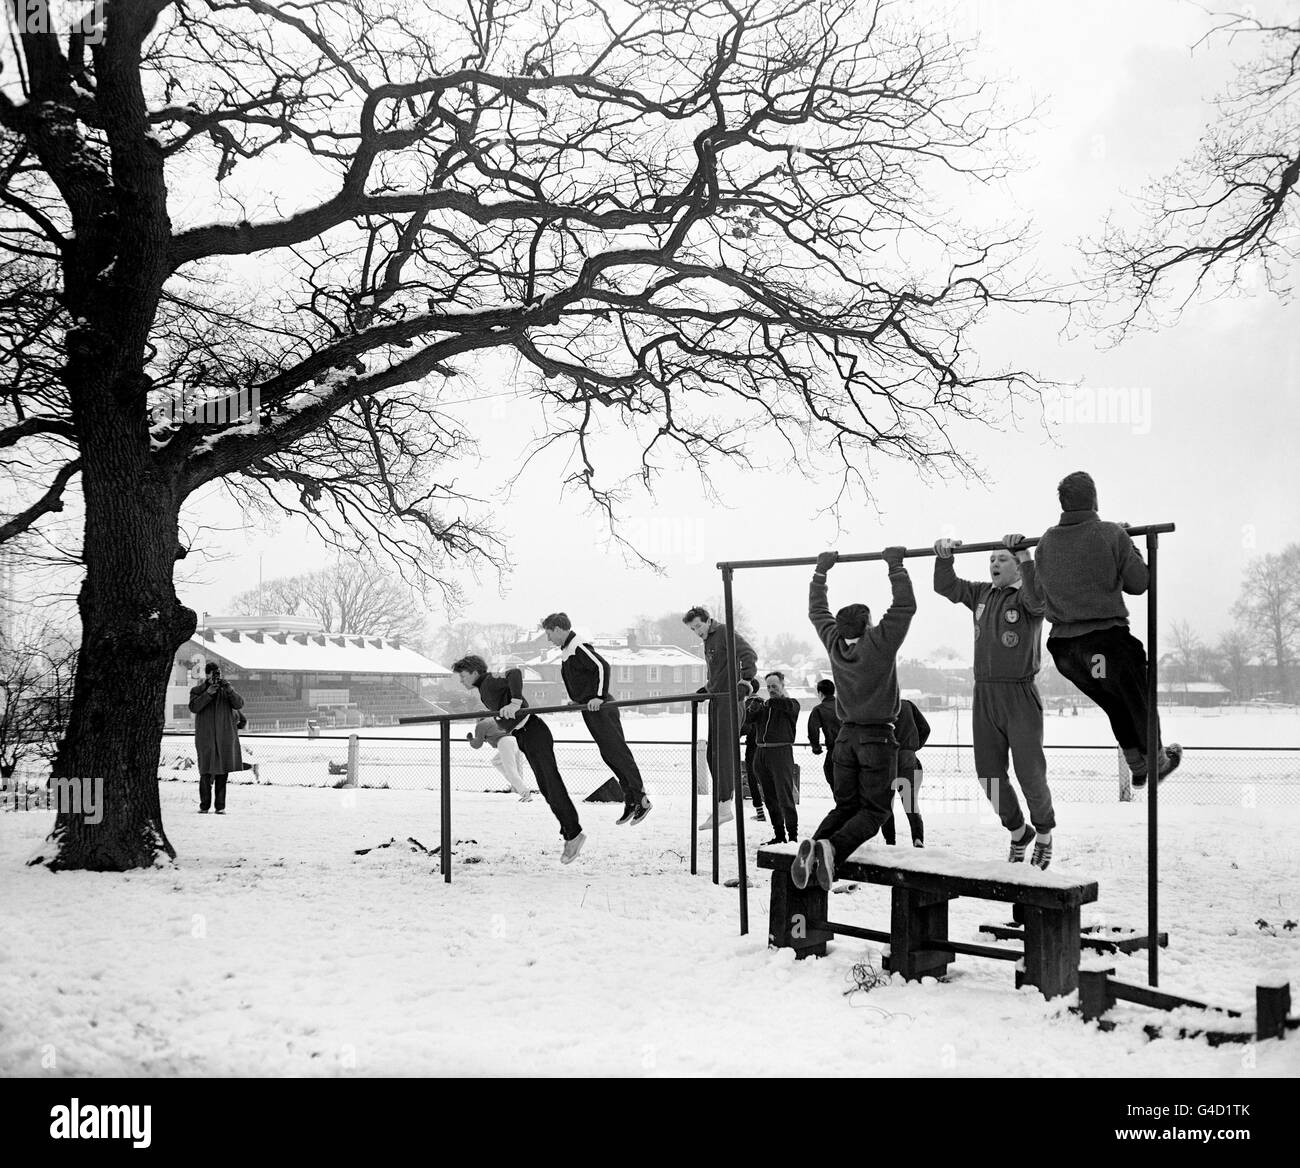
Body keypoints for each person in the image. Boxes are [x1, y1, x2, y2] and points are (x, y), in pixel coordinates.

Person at [1032, 471, 1183, 814]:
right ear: (1095, 499)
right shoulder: (1110, 533)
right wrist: (1128, 544)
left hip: (1065, 650)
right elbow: (1139, 582)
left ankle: (1138, 766)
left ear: (1062, 504)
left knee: (1115, 704)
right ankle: (1157, 760)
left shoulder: (1045, 543)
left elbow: (1040, 593)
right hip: (1105, 641)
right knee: (1137, 699)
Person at [790, 547, 916, 892]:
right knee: (874, 812)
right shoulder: (879, 643)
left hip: (844, 740)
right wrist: (895, 566)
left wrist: (820, 573)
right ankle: (832, 848)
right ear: (868, 625)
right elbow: (904, 607)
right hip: (877, 738)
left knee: (846, 806)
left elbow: (818, 611)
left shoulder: (834, 643)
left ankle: (814, 849)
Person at [934, 532, 1055, 867]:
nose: (995, 564)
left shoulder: (1028, 597)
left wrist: (1029, 558)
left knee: (1029, 772)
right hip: (984, 692)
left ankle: (1044, 834)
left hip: (1019, 693)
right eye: (991, 559)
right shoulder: (982, 594)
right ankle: (1019, 831)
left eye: (1003, 559)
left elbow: (1039, 602)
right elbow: (947, 586)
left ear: (1018, 567)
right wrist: (944, 556)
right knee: (988, 773)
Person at [452, 654, 585, 864]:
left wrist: (515, 702)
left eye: (463, 676)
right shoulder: (484, 688)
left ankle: (574, 834)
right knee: (548, 787)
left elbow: (514, 673)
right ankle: (570, 833)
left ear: (475, 672)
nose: (461, 680)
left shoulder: (488, 681)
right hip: (524, 735)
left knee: (551, 785)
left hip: (533, 732)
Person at [540, 613, 651, 826]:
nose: (548, 639)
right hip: (590, 709)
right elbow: (582, 678)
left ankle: (641, 799)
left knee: (618, 752)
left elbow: (602, 667)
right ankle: (630, 799)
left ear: (558, 629)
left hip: (602, 708)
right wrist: (579, 700)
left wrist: (598, 696)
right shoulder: (568, 650)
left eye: (549, 634)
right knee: (609, 755)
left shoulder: (579, 646)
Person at [682, 605, 760, 831]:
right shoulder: (708, 641)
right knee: (711, 752)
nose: (697, 631)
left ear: (708, 621)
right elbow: (720, 672)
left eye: (698, 626)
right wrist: (705, 689)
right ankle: (721, 803)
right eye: (692, 629)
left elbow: (748, 655)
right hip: (718, 698)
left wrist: (745, 682)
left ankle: (725, 806)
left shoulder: (725, 632)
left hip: (730, 700)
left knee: (723, 752)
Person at [742, 672, 801, 844]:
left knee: (785, 797)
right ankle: (779, 835)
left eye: (774, 686)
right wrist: (751, 707)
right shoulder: (764, 706)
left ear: (783, 686)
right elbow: (748, 720)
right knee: (769, 797)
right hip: (761, 754)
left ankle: (793, 837)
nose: (771, 690)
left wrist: (767, 702)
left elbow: (786, 706)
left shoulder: (792, 704)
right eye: (768, 687)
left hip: (781, 753)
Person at [188, 661, 244, 815]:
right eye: (213, 674)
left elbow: (239, 704)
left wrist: (229, 689)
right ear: (207, 675)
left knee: (222, 773)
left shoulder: (226, 690)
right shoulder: (197, 690)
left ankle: (220, 807)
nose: (216, 677)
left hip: (224, 737)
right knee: (205, 772)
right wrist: (208, 694)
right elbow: (194, 707)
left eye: (218, 673)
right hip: (205, 738)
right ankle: (204, 806)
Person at [881, 698, 929, 848]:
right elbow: (925, 728)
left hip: (886, 757)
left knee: (886, 803)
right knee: (910, 802)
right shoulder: (908, 705)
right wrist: (913, 747)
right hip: (907, 758)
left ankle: (890, 841)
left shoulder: (880, 706)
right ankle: (917, 838)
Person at [467, 717, 533, 801]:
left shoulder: (481, 724)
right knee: (496, 761)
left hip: (504, 742)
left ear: (478, 719)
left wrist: (470, 739)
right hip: (514, 740)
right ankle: (518, 786)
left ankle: (526, 794)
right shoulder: (493, 719)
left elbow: (477, 744)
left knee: (511, 771)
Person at [806, 678, 841, 789]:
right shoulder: (845, 706)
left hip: (834, 751)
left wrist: (816, 748)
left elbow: (813, 730)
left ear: (820, 693)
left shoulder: (819, 709)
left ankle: (841, 804)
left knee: (832, 778)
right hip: (853, 750)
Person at [740, 689, 767, 821]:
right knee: (766, 780)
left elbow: (746, 728)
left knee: (752, 780)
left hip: (752, 748)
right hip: (765, 748)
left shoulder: (748, 705)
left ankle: (760, 813)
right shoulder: (764, 704)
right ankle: (776, 811)